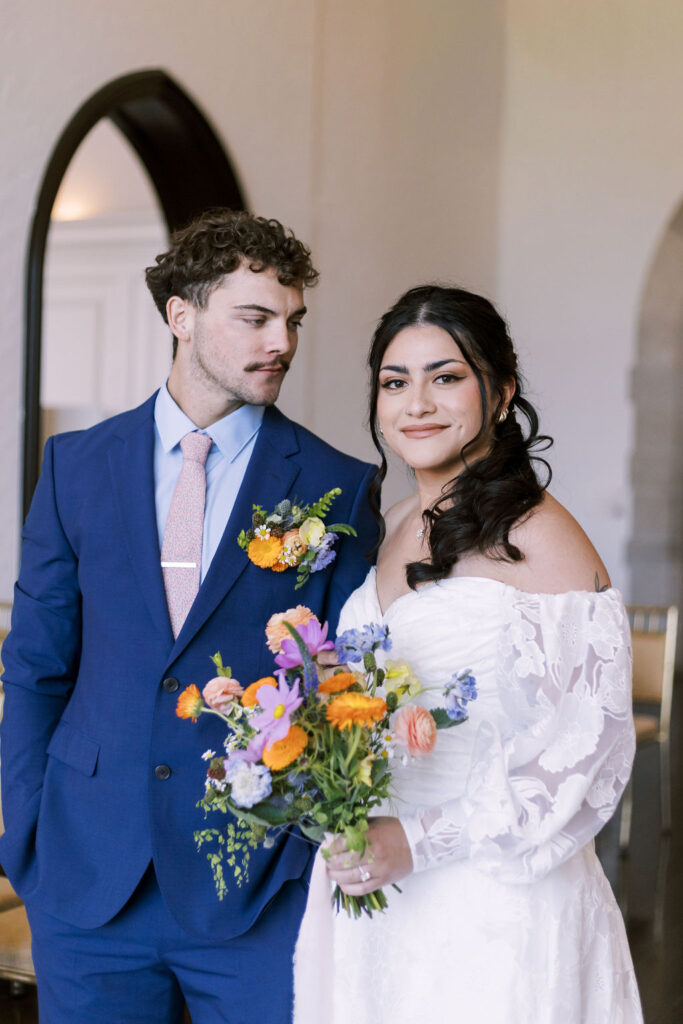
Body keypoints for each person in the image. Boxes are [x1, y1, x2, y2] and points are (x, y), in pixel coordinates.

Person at [0, 208, 378, 1023]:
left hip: (254, 883)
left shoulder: (338, 484)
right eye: (254, 317)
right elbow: (35, 665)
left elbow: (345, 682)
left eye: (292, 321)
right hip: (86, 878)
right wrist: (27, 829)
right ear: (182, 315)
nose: (281, 341)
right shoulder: (75, 465)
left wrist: (304, 847)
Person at [294, 285, 643, 1023]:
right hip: (377, 887)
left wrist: (416, 842)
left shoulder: (539, 534)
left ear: (501, 390)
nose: (415, 402)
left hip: (495, 896)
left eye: (444, 376)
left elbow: (583, 752)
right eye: (394, 382)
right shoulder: (388, 524)